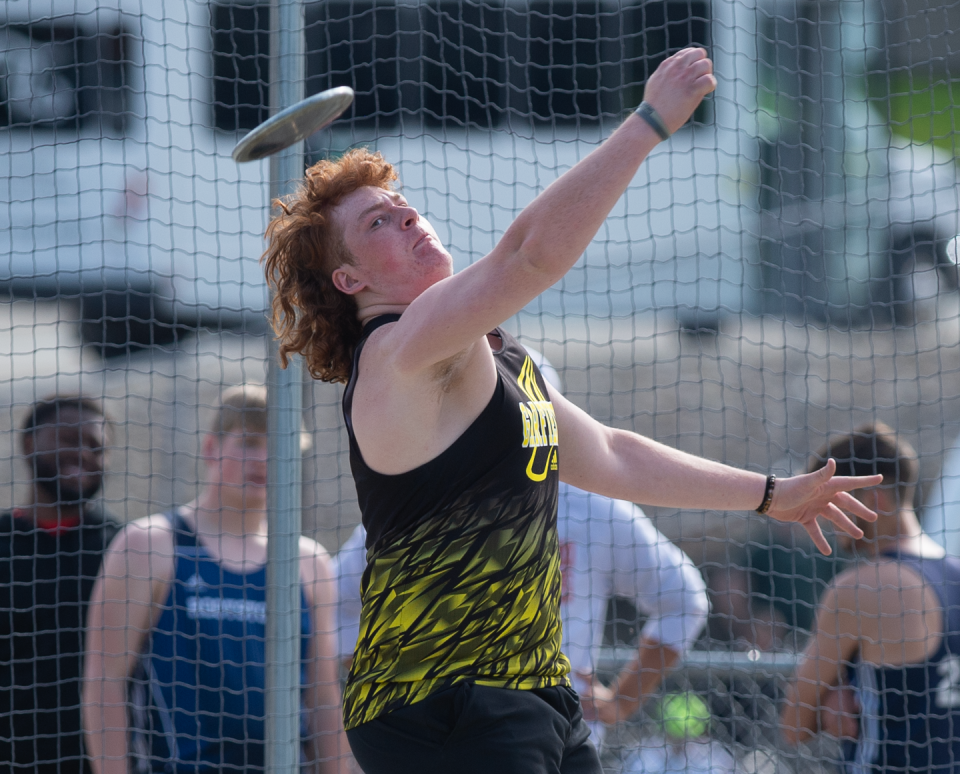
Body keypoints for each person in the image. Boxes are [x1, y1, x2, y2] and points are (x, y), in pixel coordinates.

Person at [262, 47, 881, 774]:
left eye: (405, 207)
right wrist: (647, 123)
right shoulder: (397, 352)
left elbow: (612, 454)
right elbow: (527, 256)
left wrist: (770, 495)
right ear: (350, 278)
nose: (406, 217)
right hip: (439, 699)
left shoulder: (499, 358)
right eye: (378, 224)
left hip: (533, 693)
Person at [332, 352, 710, 749]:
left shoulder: (593, 508)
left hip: (555, 738)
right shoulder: (426, 500)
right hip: (452, 742)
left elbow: (683, 599)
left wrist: (622, 699)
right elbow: (335, 601)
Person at [83, 386, 348, 774]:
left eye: (279, 446)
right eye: (249, 442)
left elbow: (323, 697)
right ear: (211, 447)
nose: (264, 459)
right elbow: (104, 684)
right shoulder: (149, 545)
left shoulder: (308, 562)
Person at [781, 422, 960, 773]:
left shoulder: (862, 588)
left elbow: (794, 724)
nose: (824, 518)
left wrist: (830, 696)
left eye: (829, 504)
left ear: (872, 500)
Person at [0, 395, 118, 774]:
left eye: (96, 447)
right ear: (28, 443)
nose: (84, 454)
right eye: (69, 439)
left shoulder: (127, 549)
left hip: (94, 761)